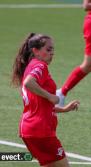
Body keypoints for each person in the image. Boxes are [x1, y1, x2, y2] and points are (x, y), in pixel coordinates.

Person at [11, 33, 80, 167]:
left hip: (29, 130)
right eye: (48, 50)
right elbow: (28, 82)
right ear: (35, 51)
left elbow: (40, 105)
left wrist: (64, 109)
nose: (52, 53)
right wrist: (50, 96)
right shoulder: (40, 66)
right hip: (41, 131)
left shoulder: (29, 67)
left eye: (53, 50)